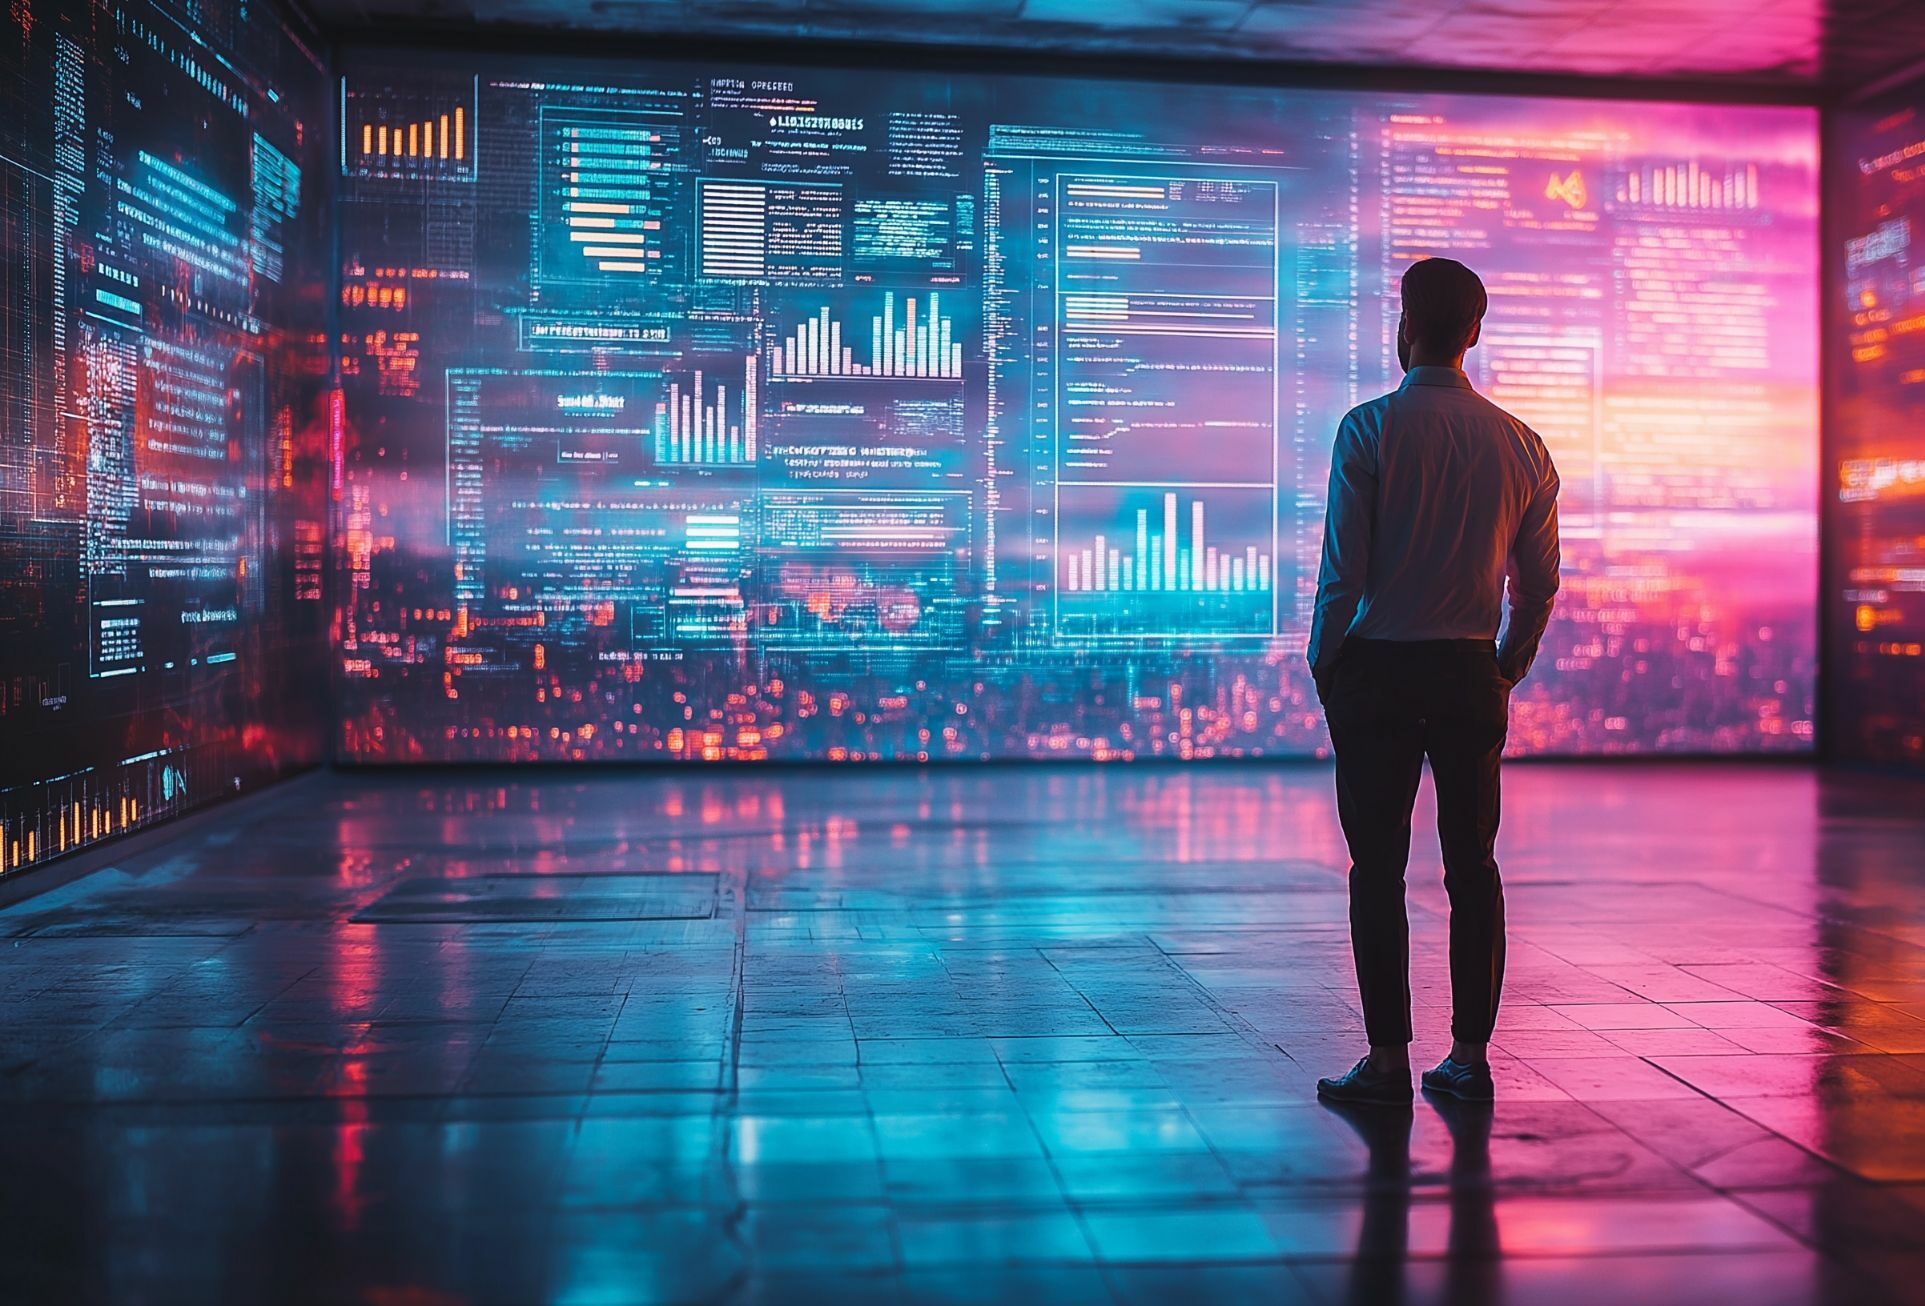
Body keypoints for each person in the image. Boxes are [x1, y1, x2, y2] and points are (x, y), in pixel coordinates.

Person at [1307, 257, 1560, 1106]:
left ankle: (1384, 1062)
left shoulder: (1368, 429)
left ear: (1403, 323)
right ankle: (1468, 1056)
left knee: (1374, 869)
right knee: (1472, 866)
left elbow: (1343, 572)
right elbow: (1539, 584)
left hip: (1375, 669)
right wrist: (1506, 664)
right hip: (1465, 670)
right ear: (1474, 332)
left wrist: (1324, 660)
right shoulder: (1522, 443)